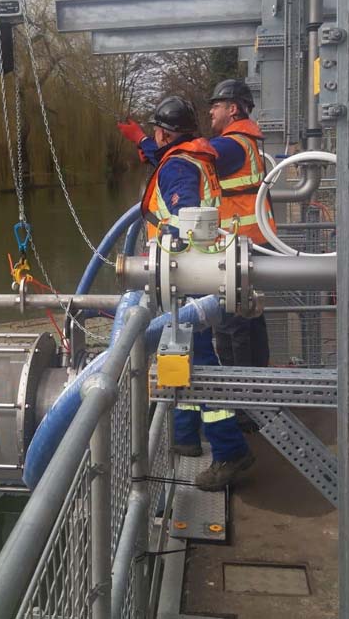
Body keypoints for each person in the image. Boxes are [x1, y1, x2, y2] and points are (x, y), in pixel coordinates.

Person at [118, 96, 254, 491]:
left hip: (183, 274)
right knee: (186, 350)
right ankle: (186, 435)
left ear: (166, 133)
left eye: (155, 132)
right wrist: (140, 139)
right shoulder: (193, 157)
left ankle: (230, 451)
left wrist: (164, 263)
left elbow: (183, 216)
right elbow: (163, 163)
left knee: (198, 357)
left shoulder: (178, 164)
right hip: (198, 273)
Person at [207, 79, 276, 369]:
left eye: (216, 105)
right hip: (251, 240)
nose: (211, 111)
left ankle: (244, 402)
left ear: (232, 109)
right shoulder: (246, 142)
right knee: (251, 318)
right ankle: (260, 386)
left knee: (231, 324)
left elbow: (189, 160)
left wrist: (150, 145)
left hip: (238, 244)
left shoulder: (231, 145)